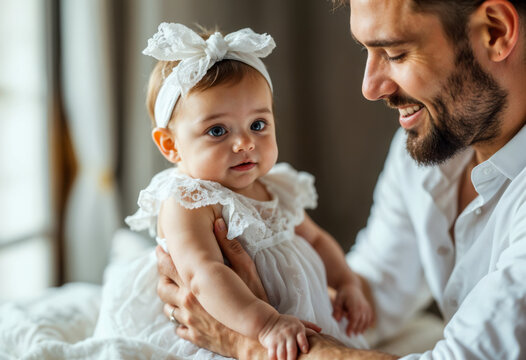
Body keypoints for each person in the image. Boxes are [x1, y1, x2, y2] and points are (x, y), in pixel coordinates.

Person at [156, 0, 526, 359]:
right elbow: (377, 289)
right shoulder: (431, 146)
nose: (369, 87)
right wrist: (262, 302)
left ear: (495, 31)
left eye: (395, 53)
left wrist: (249, 344)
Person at [94, 23, 374, 360]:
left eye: (258, 125)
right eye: (217, 130)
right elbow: (203, 274)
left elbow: (315, 239)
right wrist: (266, 324)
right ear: (170, 146)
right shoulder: (190, 200)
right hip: (230, 330)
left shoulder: (276, 188)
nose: (244, 143)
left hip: (294, 325)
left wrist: (346, 283)